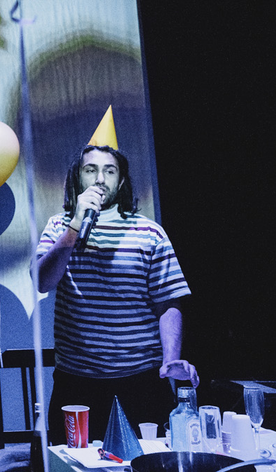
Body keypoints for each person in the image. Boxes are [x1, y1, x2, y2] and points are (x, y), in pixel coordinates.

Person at [33, 108, 198, 441]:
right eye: (90, 170)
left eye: (109, 171)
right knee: (73, 462)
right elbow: (42, 281)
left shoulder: (149, 232)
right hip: (77, 382)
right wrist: (75, 225)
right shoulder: (58, 226)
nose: (99, 179)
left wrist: (170, 361)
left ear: (121, 181)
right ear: (77, 177)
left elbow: (168, 303)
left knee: (147, 461)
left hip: (141, 381)